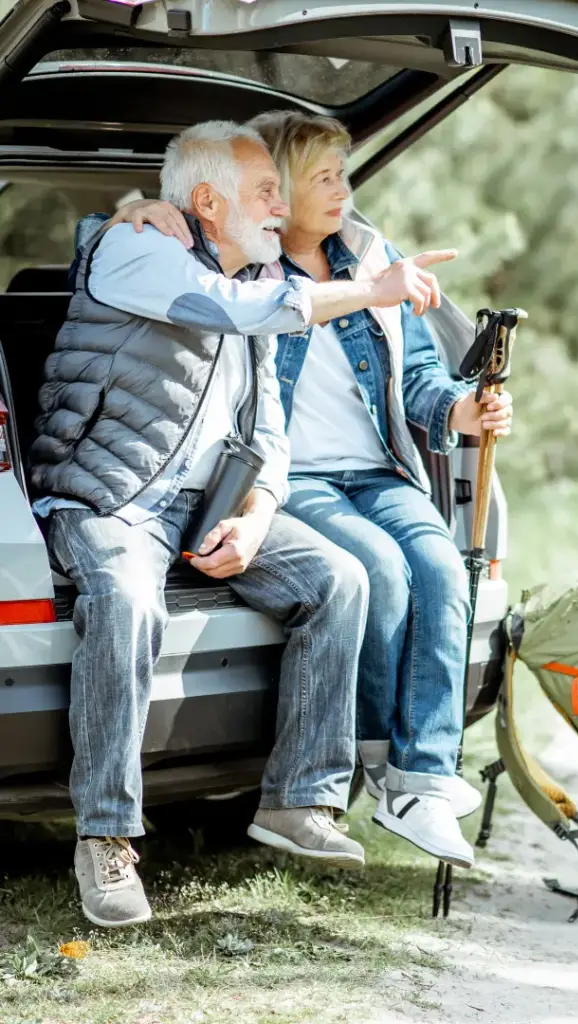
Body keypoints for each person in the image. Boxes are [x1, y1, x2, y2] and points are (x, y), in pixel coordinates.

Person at [33, 119, 456, 928]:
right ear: (206, 201)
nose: (280, 207)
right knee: (129, 603)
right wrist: (371, 290)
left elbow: (268, 430)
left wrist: (259, 512)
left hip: (209, 504)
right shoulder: (138, 251)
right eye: (265, 192)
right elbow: (235, 309)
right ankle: (106, 838)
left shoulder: (256, 273)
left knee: (339, 579)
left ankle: (299, 799)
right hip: (112, 496)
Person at [111, 111, 513, 870]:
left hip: (381, 469)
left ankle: (425, 779)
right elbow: (122, 250)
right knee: (381, 571)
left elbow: (419, 374)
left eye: (343, 175)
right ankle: (378, 758)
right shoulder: (244, 265)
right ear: (280, 191)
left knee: (440, 565)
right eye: (321, 177)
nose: (342, 191)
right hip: (293, 478)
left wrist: (463, 409)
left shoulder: (371, 257)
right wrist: (129, 211)